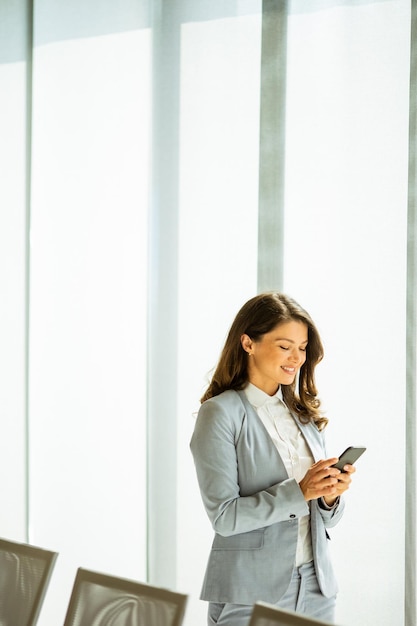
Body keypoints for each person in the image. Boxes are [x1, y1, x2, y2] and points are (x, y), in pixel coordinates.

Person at [190, 292, 356, 626]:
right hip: (250, 591)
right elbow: (224, 517)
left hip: (316, 586)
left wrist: (328, 497)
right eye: (284, 346)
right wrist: (300, 492)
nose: (296, 357)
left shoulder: (302, 413)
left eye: (303, 347)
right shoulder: (220, 414)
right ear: (248, 343)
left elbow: (324, 519)